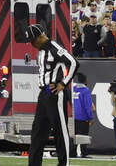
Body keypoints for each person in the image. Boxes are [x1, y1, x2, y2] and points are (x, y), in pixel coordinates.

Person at [26, 23, 78, 166]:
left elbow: (73, 62)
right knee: (37, 132)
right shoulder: (42, 50)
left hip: (55, 93)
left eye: (33, 40)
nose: (32, 44)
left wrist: (63, 83)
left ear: (40, 37)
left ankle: (64, 163)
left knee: (60, 130)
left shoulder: (54, 47)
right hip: (44, 93)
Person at [73, 73, 96, 158]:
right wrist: (91, 118)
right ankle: (84, 153)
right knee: (83, 136)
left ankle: (72, 152)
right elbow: (88, 106)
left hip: (73, 116)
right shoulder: (85, 90)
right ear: (85, 81)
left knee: (73, 136)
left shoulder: (73, 89)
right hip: (83, 117)